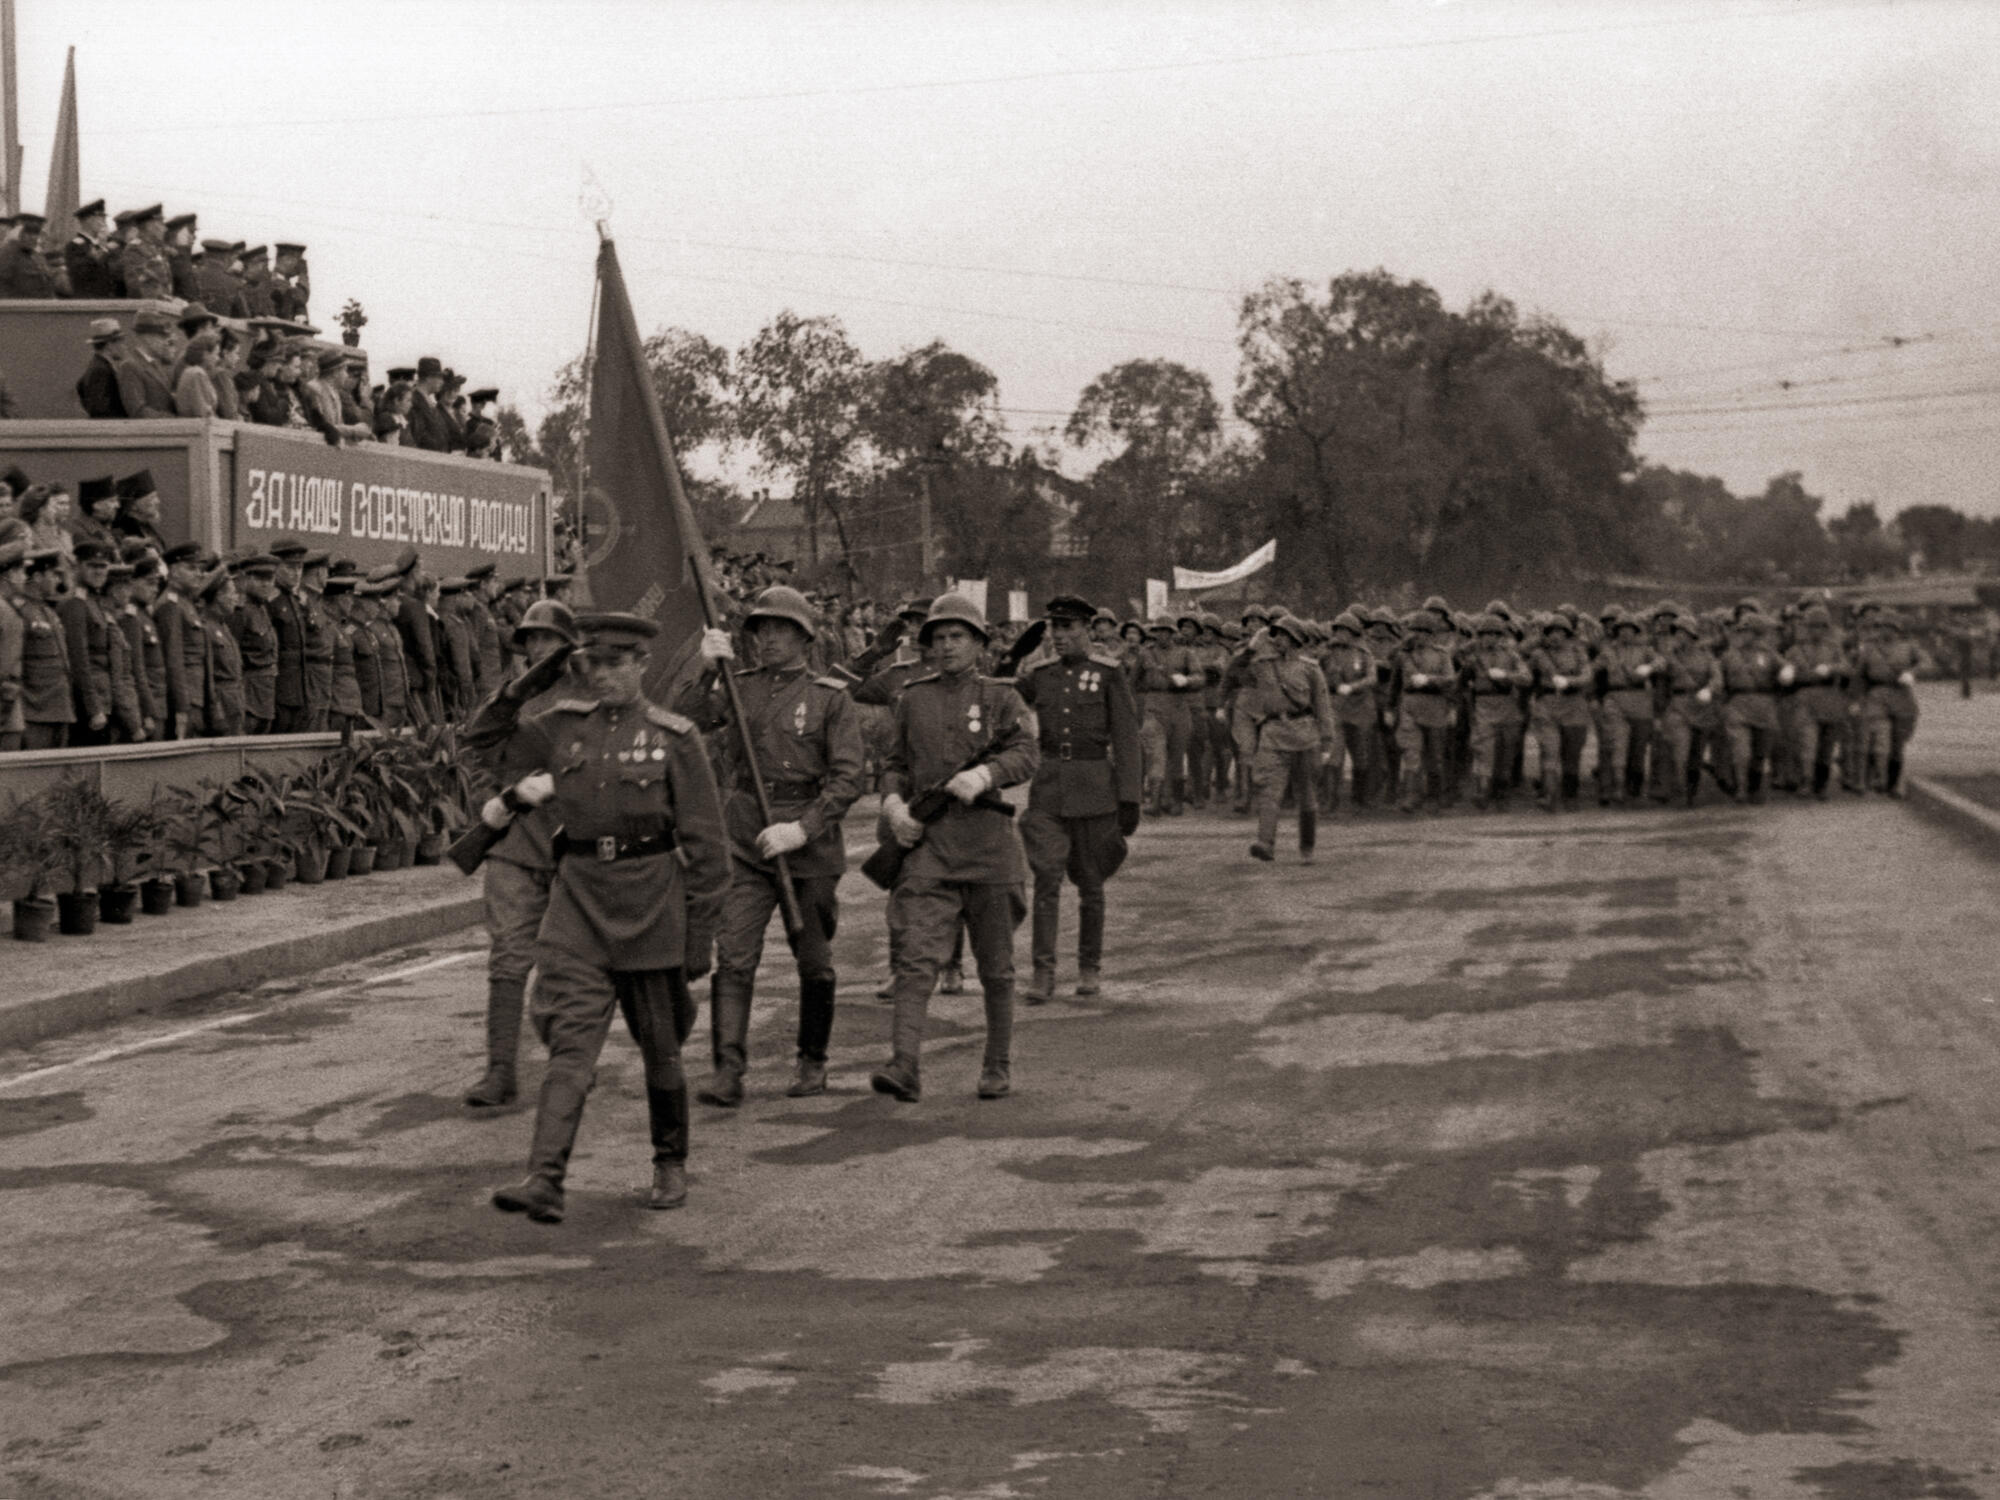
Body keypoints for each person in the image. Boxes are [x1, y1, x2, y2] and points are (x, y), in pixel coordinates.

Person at [467, 612, 730, 1223]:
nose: (606, 675)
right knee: (570, 1046)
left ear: (641, 665)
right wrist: (528, 682)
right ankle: (545, 1178)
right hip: (579, 905)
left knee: (661, 1048)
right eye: (594, 663)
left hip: (651, 907)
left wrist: (700, 937)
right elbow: (482, 738)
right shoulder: (559, 728)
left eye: (619, 663)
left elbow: (710, 849)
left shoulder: (674, 737)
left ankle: (669, 1161)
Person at [679, 586, 866, 1102]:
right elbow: (686, 721)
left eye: (782, 629)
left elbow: (849, 777)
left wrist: (804, 828)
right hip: (745, 837)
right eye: (762, 629)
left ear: (805, 638)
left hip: (809, 842)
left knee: (814, 959)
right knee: (734, 954)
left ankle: (812, 1060)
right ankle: (728, 1070)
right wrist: (707, 669)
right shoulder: (737, 687)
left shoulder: (830, 697)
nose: (769, 639)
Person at [870, 594, 1038, 1104]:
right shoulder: (912, 698)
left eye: (956, 637)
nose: (945, 647)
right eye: (937, 639)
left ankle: (997, 1062)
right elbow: (894, 763)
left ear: (979, 645)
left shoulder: (1003, 698)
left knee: (996, 966)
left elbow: (1027, 752)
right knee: (916, 956)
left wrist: (986, 774)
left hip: (989, 848)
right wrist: (894, 805)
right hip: (931, 848)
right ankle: (905, 1064)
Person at [459, 601, 580, 1109]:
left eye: (546, 640)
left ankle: (570, 1065)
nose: (535, 649)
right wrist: (491, 797)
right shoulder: (510, 699)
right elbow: (477, 742)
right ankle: (500, 1071)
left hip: (572, 845)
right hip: (515, 841)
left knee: (570, 962)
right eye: (528, 641)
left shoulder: (587, 697)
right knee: (508, 957)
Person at [1009, 595, 1142, 1003]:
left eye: (1068, 628)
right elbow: (1002, 695)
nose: (1060, 636)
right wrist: (1012, 656)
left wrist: (1130, 797)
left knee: (1091, 883)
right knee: (1046, 878)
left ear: (1088, 629)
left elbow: (1125, 737)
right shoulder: (1041, 674)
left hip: (1095, 788)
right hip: (1049, 788)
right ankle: (1043, 972)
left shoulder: (1108, 673)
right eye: (1055, 628)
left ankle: (1089, 966)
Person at [1243, 614, 1333, 862]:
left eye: (1283, 635)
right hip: (1273, 734)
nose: (1277, 639)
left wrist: (1327, 741)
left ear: (1294, 640)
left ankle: (1307, 848)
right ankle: (1265, 843)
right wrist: (1253, 644)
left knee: (1306, 794)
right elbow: (1236, 670)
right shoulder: (1262, 664)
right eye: (1276, 635)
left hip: (1305, 735)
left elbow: (1322, 706)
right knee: (1269, 791)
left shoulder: (1310, 669)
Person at [1459, 613, 1531, 812]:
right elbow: (1461, 683)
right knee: (1485, 751)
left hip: (1508, 705)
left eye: (1493, 634)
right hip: (1484, 705)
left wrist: (1507, 675)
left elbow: (1526, 677)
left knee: (1506, 752)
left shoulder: (1511, 655)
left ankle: (1502, 793)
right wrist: (1470, 704)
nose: (1489, 638)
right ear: (1479, 636)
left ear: (1500, 636)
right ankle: (1483, 791)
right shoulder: (1473, 658)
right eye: (1484, 634)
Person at [1593, 610, 1664, 807]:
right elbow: (1592, 670)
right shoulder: (1608, 651)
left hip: (1641, 701)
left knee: (1638, 748)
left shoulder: (1646, 650)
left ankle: (1634, 785)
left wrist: (1649, 668)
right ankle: (1616, 787)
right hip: (1615, 699)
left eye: (1629, 629)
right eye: (1621, 629)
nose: (1625, 633)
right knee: (1617, 744)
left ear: (1635, 631)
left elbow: (1661, 662)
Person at [1527, 613, 1595, 813]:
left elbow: (1587, 675)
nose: (1556, 636)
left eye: (1560, 632)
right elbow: (1524, 671)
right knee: (1550, 750)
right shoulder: (1538, 654)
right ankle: (1549, 794)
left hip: (1574, 706)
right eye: (1551, 632)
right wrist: (1538, 638)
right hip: (1547, 706)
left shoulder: (1578, 652)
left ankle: (1570, 795)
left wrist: (1570, 682)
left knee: (1571, 755)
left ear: (1568, 634)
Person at [1718, 607, 1783, 804]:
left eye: (1746, 631)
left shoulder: (1769, 654)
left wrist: (1786, 675)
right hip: (1738, 705)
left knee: (1760, 753)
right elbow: (1719, 679)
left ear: (1757, 634)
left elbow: (1785, 670)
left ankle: (1754, 787)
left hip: (1764, 705)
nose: (1742, 635)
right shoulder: (1729, 655)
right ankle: (1742, 788)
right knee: (1741, 751)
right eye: (1740, 631)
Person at [1854, 608, 1922, 796]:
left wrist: (1912, 673)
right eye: (1882, 626)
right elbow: (1859, 676)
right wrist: (1858, 700)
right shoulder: (1868, 649)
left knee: (1897, 745)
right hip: (1877, 696)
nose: (1886, 630)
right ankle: (1876, 777)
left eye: (1891, 627)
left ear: (1898, 629)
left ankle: (1895, 784)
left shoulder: (1908, 647)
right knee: (1879, 741)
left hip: (1902, 696)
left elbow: (1923, 662)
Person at [16, 549, 75, 749]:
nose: (58, 581)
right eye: (53, 575)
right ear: (37, 576)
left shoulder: (49, 611)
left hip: (59, 707)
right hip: (34, 711)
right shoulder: (21, 611)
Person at [153, 542, 210, 740]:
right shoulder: (171, 605)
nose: (199, 574)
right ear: (174, 571)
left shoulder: (185, 602)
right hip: (185, 698)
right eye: (191, 568)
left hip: (195, 694)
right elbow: (173, 660)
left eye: (199, 569)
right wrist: (181, 706)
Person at [231, 555, 281, 732]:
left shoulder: (262, 609)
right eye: (259, 579)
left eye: (270, 579)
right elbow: (232, 654)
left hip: (265, 695)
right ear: (246, 579)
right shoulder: (240, 612)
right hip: (249, 695)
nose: (266, 584)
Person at [198, 566, 246, 736]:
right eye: (232, 593)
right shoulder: (207, 628)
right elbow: (208, 677)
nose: (236, 598)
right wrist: (216, 712)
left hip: (234, 705)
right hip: (222, 709)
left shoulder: (223, 626)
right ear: (219, 596)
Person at [114, 308, 179, 419]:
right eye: (162, 337)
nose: (165, 342)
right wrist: (173, 420)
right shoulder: (130, 366)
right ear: (147, 338)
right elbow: (138, 411)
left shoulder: (157, 365)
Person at [0, 539, 29, 750]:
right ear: (9, 575)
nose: (24, 578)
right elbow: (6, 668)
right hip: (5, 713)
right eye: (21, 572)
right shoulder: (7, 612)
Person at [64, 200, 122, 298]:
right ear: (88, 220)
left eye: (103, 218)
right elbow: (81, 274)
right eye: (99, 218)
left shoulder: (107, 243)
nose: (103, 223)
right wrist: (102, 248)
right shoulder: (75, 246)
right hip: (88, 301)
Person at [76, 319, 131, 419]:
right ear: (110, 345)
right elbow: (100, 410)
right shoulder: (100, 370)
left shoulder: (99, 366)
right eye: (121, 342)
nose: (124, 347)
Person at [0, 213, 58, 297]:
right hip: (16, 308)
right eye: (27, 233)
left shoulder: (37, 256)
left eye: (36, 233)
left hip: (40, 307)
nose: (33, 237)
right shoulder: (7, 254)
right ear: (16, 233)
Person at [406, 358, 453, 451]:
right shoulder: (413, 401)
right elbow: (419, 436)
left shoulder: (428, 403)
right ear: (428, 377)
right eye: (439, 377)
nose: (442, 382)